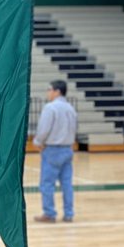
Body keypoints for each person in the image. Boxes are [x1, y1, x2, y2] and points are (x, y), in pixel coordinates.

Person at [33, 80, 77, 222]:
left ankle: (49, 213)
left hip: (52, 150)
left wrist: (38, 142)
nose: (48, 92)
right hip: (67, 149)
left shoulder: (50, 108)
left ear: (57, 91)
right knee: (67, 184)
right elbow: (74, 128)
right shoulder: (70, 108)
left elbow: (44, 129)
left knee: (47, 184)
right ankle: (69, 213)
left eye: (49, 89)